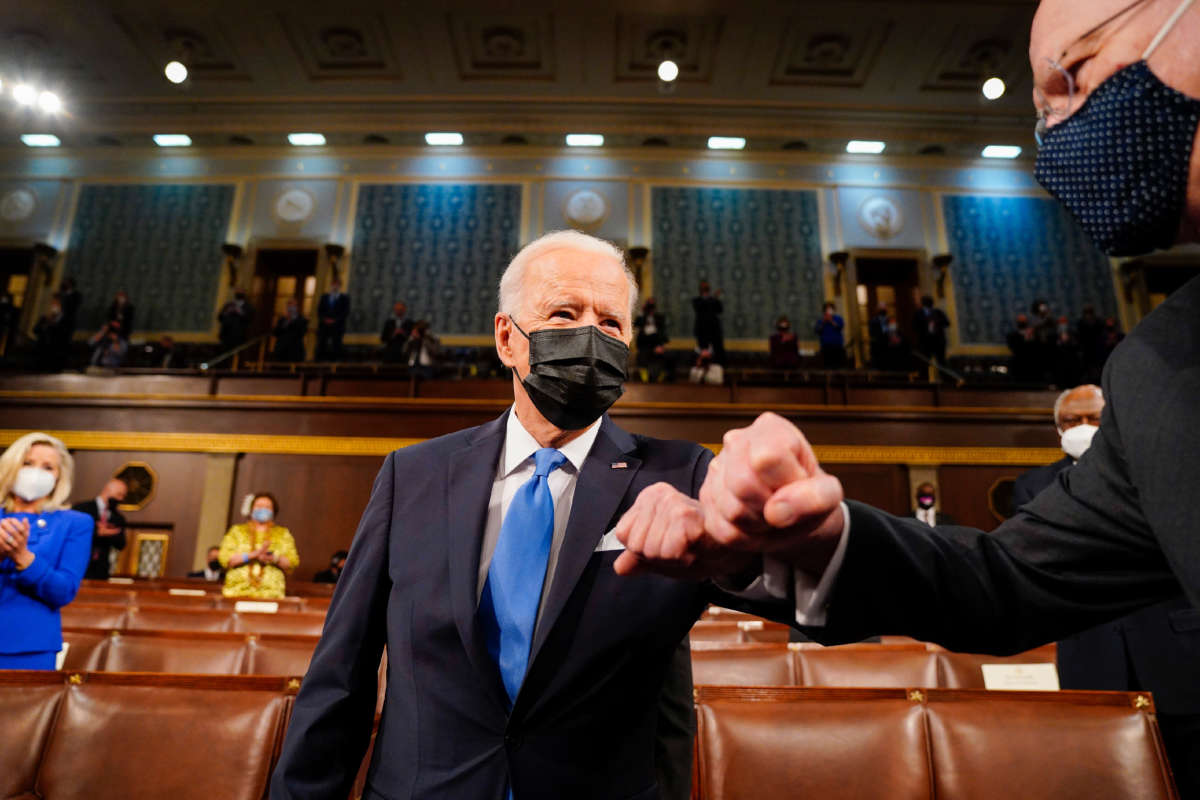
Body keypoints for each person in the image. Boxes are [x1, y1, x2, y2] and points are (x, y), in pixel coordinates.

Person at [614, 1, 1200, 792]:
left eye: (1070, 78)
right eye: (1039, 109)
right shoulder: (1160, 368)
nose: (1052, 134)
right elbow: (1007, 581)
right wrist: (808, 540)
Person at [271, 230, 792, 800]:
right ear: (507, 339)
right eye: (564, 313)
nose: (591, 335)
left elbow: (794, 593)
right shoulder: (412, 476)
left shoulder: (679, 476)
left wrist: (787, 523)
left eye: (612, 323)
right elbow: (342, 678)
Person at [1012, 384, 1200, 793]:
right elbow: (1044, 560)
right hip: (1090, 648)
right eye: (1071, 420)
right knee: (1102, 779)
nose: (1084, 427)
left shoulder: (1166, 472)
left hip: (1173, 648)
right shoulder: (1033, 486)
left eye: (1094, 418)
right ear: (1057, 429)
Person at [0, 432, 92, 670]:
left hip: (28, 648)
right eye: (28, 463)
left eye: (48, 467)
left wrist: (24, 558)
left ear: (59, 477)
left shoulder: (75, 523)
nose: (35, 473)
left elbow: (64, 591)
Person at [218, 493, 299, 599]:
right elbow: (226, 559)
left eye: (267, 507)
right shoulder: (237, 531)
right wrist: (254, 555)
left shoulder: (283, 534)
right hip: (236, 593)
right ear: (251, 510)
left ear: (274, 511)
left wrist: (273, 558)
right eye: (259, 506)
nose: (263, 509)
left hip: (271, 594)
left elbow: (292, 563)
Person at [72, 477, 129, 580]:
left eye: (123, 496)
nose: (121, 499)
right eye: (119, 495)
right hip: (79, 566)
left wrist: (111, 533)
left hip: (101, 571)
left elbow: (121, 544)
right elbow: (73, 533)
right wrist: (96, 532)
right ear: (108, 490)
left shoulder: (118, 518)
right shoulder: (82, 508)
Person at [634, 297, 672, 382]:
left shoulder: (659, 317)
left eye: (652, 306)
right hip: (645, 345)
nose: (651, 309)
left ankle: (662, 376)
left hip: (657, 345)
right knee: (642, 356)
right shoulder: (642, 317)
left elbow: (662, 332)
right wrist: (642, 311)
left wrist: (660, 346)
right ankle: (645, 378)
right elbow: (636, 323)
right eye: (649, 306)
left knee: (668, 356)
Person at [33, 297, 72, 372]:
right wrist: (44, 326)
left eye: (57, 304)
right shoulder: (44, 318)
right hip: (41, 351)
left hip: (55, 354)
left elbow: (63, 335)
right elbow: (35, 330)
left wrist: (52, 325)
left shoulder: (65, 320)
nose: (54, 306)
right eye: (53, 304)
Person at [316, 279, 351, 361]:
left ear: (340, 286)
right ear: (331, 285)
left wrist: (335, 320)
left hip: (337, 327)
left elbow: (345, 312)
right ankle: (320, 362)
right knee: (321, 345)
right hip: (324, 326)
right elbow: (319, 311)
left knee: (336, 345)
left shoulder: (344, 298)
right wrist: (325, 319)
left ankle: (335, 362)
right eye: (333, 284)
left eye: (337, 285)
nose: (335, 286)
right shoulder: (324, 297)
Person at [911, 295, 950, 367]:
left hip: (938, 341)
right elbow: (915, 327)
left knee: (941, 361)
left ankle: (943, 377)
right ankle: (926, 377)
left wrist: (936, 322)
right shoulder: (918, 314)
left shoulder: (938, 312)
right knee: (925, 362)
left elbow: (946, 323)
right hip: (925, 342)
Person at [692, 280, 725, 365]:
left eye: (706, 286)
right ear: (700, 289)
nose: (705, 288)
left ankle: (718, 368)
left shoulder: (713, 300)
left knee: (718, 352)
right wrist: (714, 297)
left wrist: (715, 298)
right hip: (702, 331)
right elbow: (701, 307)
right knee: (703, 352)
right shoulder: (696, 300)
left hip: (714, 330)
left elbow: (720, 310)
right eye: (703, 286)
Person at [813, 301, 846, 369]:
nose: (829, 311)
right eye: (827, 309)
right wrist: (824, 322)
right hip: (826, 346)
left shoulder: (838, 318)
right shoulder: (821, 320)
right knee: (827, 365)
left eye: (830, 309)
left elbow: (840, 327)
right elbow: (817, 330)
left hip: (837, 345)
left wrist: (831, 321)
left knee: (838, 365)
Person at [867, 303, 889, 370]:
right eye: (881, 308)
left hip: (888, 346)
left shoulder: (890, 319)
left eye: (884, 308)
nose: (883, 309)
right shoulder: (873, 321)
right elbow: (872, 333)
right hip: (878, 347)